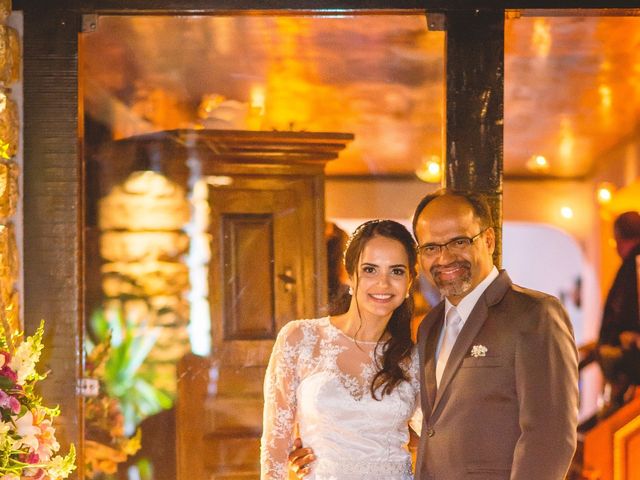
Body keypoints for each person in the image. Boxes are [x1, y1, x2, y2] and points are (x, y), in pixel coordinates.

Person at [290, 189, 579, 479]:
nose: (444, 257)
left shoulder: (534, 314)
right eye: (431, 247)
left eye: (459, 242)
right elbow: (433, 426)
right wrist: (327, 450)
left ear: (488, 241)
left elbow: (550, 436)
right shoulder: (430, 325)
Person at [261, 220, 421, 480]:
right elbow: (274, 450)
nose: (383, 283)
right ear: (350, 275)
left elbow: (439, 438)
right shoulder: (299, 338)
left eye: (396, 271)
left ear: (410, 281)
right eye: (370, 269)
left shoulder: (413, 358)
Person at [596, 211, 640, 415]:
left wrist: (610, 341)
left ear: (619, 238)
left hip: (630, 362)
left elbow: (620, 311)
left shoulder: (633, 266)